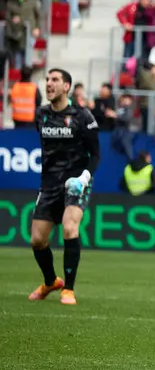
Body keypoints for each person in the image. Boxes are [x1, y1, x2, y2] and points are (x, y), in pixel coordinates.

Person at [27, 68, 101, 307]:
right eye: (47, 80)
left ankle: (68, 289)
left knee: (70, 228)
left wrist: (84, 178)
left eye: (55, 80)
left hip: (76, 184)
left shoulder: (82, 116)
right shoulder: (41, 114)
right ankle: (51, 281)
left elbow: (96, 154)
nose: (49, 84)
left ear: (66, 86)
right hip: (49, 184)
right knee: (37, 240)